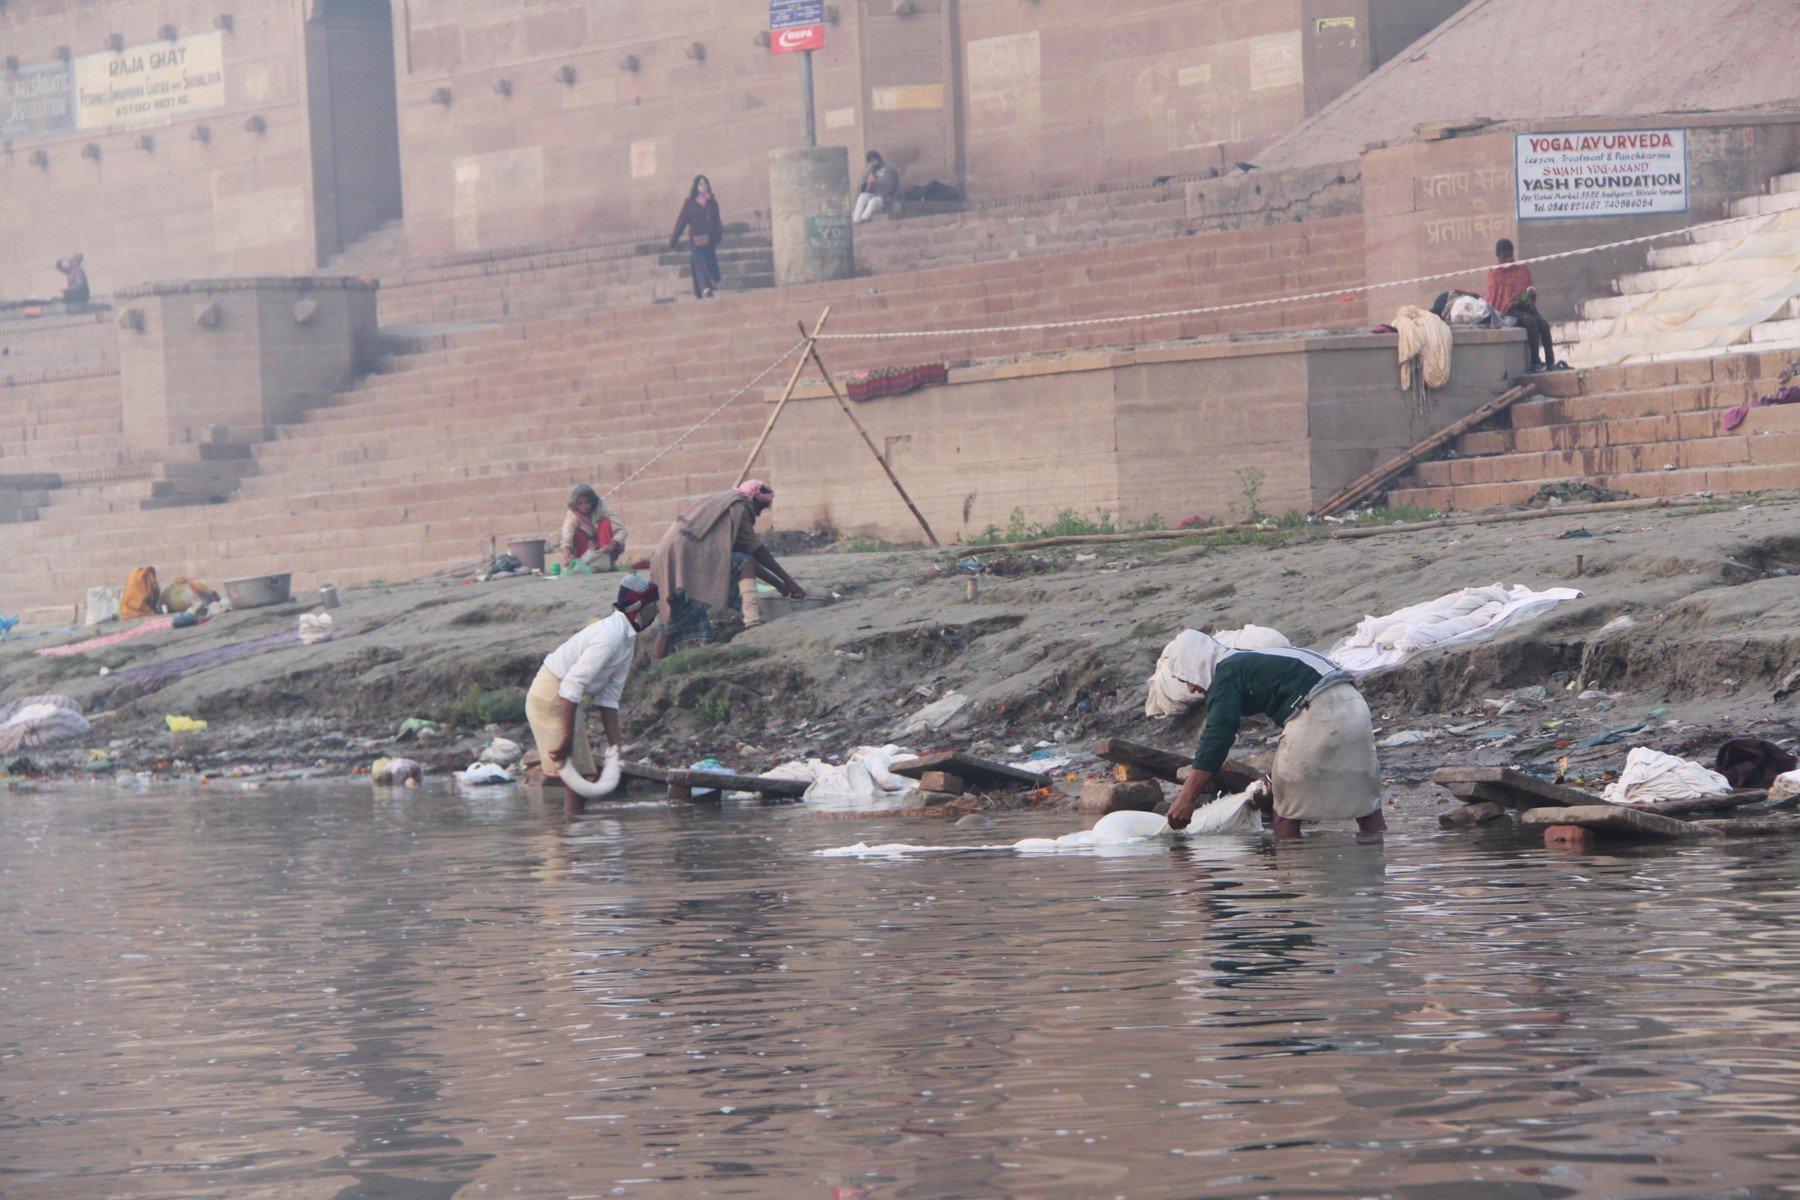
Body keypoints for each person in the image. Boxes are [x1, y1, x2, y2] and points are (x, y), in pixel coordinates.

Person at [1160, 631, 1386, 840]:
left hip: (1319, 709)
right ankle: (1375, 874)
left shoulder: (1226, 673)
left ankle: (1291, 876)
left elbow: (1217, 738)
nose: (1190, 689)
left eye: (1185, 679)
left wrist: (1187, 798)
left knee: (1287, 811)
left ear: (1196, 665)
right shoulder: (1252, 658)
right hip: (1356, 708)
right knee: (1367, 807)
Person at [526, 573, 660, 786]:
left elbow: (609, 698)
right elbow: (571, 685)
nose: (657, 611)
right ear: (636, 608)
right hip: (550, 697)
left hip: (567, 699)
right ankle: (562, 817)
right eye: (652, 606)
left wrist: (615, 750)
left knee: (584, 776)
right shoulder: (610, 637)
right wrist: (567, 738)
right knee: (567, 779)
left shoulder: (627, 641)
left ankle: (576, 818)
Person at [648, 479, 805, 662]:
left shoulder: (722, 501)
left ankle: (654, 669)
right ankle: (752, 621)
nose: (759, 513)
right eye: (760, 507)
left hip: (670, 557)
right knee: (670, 623)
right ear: (753, 500)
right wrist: (789, 582)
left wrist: (781, 585)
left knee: (670, 621)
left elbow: (745, 559)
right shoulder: (739, 507)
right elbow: (757, 551)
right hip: (685, 559)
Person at [1484, 238, 1564, 373]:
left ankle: (1550, 362)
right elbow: (1494, 299)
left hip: (1526, 306)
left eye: (1511, 256)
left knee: (1543, 324)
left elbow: (1530, 287)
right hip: (1508, 309)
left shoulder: (1522, 268)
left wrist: (1529, 298)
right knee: (1531, 322)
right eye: (1505, 257)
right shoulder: (1495, 273)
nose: (1509, 260)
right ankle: (1535, 361)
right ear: (1499, 257)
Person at [669, 175, 724, 299]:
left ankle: (708, 287)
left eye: (705, 184)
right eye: (700, 184)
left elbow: (717, 222)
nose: (703, 186)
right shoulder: (690, 204)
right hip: (696, 242)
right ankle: (704, 288)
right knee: (699, 264)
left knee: (709, 264)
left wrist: (717, 237)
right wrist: (673, 240)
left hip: (709, 241)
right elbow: (681, 222)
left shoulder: (712, 203)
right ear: (696, 187)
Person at [557, 483, 629, 572]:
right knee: (575, 533)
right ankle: (583, 565)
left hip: (604, 548)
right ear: (575, 504)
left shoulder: (601, 508)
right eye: (580, 503)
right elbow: (566, 537)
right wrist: (567, 556)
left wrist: (612, 544)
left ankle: (608, 563)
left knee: (606, 523)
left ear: (592, 501)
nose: (584, 506)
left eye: (586, 502)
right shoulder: (572, 514)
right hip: (584, 551)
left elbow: (622, 528)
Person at [853, 151, 899, 223]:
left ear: (879, 159)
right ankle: (855, 220)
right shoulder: (871, 170)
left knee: (873, 201)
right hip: (874, 194)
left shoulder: (889, 170)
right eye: (870, 162)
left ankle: (862, 219)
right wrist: (870, 183)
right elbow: (866, 190)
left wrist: (876, 182)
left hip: (884, 198)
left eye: (874, 160)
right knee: (862, 196)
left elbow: (887, 190)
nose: (872, 163)